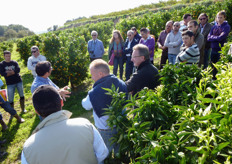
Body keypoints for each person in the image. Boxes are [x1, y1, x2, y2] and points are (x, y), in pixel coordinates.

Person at [22, 85, 108, 164]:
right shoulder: (85, 124)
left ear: (36, 111)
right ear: (61, 102)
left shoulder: (28, 148)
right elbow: (102, 154)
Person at [82, 59, 127, 153]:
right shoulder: (121, 83)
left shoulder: (95, 92)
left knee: (104, 154)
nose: (92, 78)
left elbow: (86, 105)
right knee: (120, 151)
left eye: (92, 74)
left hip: (105, 130)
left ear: (100, 74)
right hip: (121, 125)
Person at [208, 10, 231, 79]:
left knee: (219, 66)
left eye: (221, 17)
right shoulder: (214, 27)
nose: (219, 19)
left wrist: (213, 37)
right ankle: (213, 79)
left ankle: (219, 80)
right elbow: (208, 38)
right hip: (213, 49)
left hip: (221, 50)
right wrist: (216, 38)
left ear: (224, 18)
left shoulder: (226, 26)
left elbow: (221, 38)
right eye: (218, 17)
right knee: (212, 66)